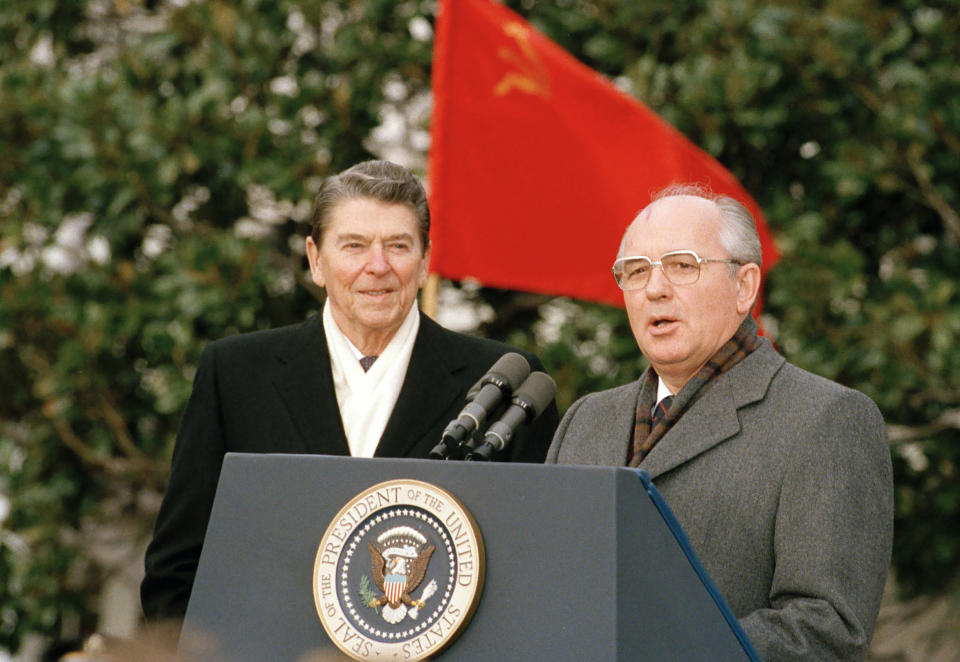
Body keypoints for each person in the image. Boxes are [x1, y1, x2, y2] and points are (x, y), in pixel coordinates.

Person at [141, 159, 558, 621]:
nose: (376, 266)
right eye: (354, 245)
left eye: (397, 246)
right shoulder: (236, 374)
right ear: (316, 260)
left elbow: (535, 573)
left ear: (424, 262)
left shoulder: (502, 381)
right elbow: (177, 571)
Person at [546, 184, 893, 661]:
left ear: (744, 286)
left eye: (682, 265)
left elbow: (826, 630)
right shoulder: (585, 420)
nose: (655, 288)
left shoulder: (825, 419)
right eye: (635, 271)